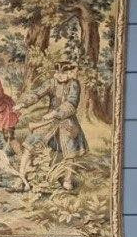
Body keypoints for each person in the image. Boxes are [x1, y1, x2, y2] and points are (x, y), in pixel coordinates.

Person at [20, 60, 87, 190]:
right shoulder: (51, 82)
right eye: (58, 72)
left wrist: (55, 113)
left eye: (64, 73)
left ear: (69, 72)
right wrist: (23, 104)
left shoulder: (74, 84)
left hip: (67, 121)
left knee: (70, 151)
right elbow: (37, 94)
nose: (60, 75)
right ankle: (21, 176)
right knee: (30, 144)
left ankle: (67, 180)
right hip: (48, 122)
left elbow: (72, 104)